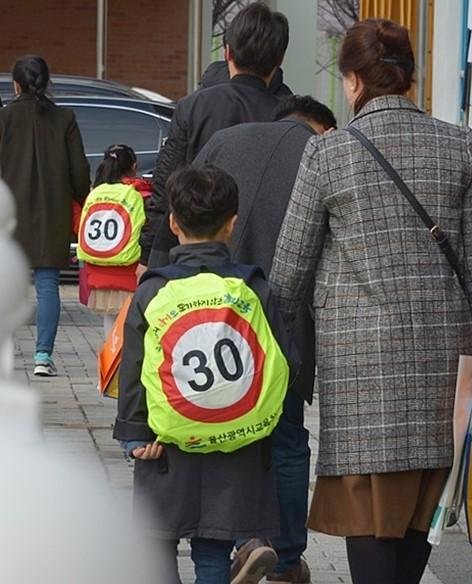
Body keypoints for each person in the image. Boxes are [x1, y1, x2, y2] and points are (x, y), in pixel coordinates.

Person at [269, 18, 472, 584]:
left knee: (370, 527)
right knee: (422, 516)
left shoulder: (329, 155)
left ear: (355, 80)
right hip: (445, 369)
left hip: (363, 373)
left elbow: (287, 275)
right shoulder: (462, 146)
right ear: (406, 77)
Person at [113, 165, 297, 584]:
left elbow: (135, 368)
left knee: (156, 544)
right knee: (213, 552)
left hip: (166, 443)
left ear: (173, 223)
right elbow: (284, 360)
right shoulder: (255, 289)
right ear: (232, 224)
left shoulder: (153, 290)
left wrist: (134, 433)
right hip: (237, 440)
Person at [193, 95, 336, 584]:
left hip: (210, 318)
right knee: (290, 439)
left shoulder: (222, 140)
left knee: (228, 432)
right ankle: (289, 558)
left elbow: (182, 206)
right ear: (319, 126)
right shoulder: (319, 153)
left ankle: (247, 539)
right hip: (284, 319)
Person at [140, 2, 290, 269]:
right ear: (280, 59)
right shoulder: (291, 117)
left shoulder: (193, 107)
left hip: (196, 256)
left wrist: (148, 253)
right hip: (267, 260)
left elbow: (165, 185)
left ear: (227, 52)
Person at [0, 55, 89, 376]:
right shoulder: (65, 118)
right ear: (46, 82)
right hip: (53, 214)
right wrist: (82, 196)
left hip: (9, 217)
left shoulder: (4, 118)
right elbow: (79, 171)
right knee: (48, 285)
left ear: (16, 84)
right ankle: (42, 357)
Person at [77, 144, 150, 338]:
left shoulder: (95, 194)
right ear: (134, 166)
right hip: (129, 270)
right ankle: (125, 366)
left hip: (98, 269)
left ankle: (109, 366)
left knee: (110, 327)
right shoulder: (139, 195)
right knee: (132, 327)